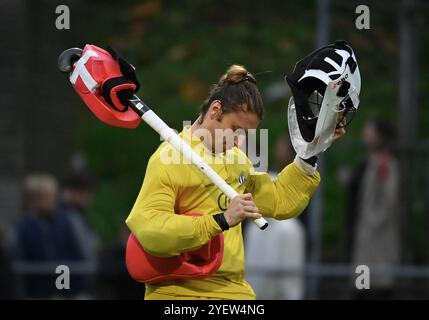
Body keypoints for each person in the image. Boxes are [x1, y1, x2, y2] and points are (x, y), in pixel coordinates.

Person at [125, 64, 347, 300]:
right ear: (215, 110)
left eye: (246, 135)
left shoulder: (237, 161)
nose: (239, 142)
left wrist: (310, 152)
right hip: (178, 292)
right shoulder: (168, 158)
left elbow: (279, 200)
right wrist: (220, 221)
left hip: (234, 290)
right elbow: (149, 228)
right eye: (235, 130)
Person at [342, 119, 400, 299]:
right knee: (362, 284)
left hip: (374, 238)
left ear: (379, 135)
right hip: (365, 237)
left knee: (373, 285)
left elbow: (389, 200)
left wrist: (371, 221)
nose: (365, 132)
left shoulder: (385, 162)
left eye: (370, 129)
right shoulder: (372, 161)